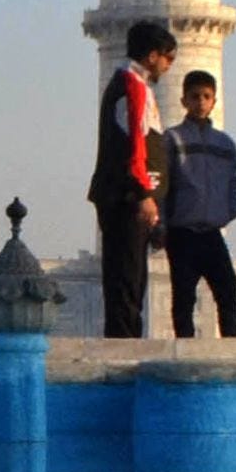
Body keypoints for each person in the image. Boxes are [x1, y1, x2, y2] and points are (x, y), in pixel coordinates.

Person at [87, 18, 178, 340]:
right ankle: (123, 349)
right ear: (153, 55)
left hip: (128, 197)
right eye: (168, 58)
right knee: (126, 280)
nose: (168, 67)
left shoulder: (133, 85)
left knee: (131, 280)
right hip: (125, 199)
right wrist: (143, 194)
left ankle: (126, 342)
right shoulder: (131, 86)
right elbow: (133, 146)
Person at [165, 68, 236, 339]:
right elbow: (164, 184)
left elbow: (233, 180)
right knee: (184, 296)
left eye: (206, 96)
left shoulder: (225, 143)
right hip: (182, 231)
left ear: (214, 101)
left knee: (229, 292)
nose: (201, 102)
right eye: (195, 96)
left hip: (212, 231)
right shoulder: (172, 139)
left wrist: (229, 210)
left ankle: (231, 347)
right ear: (184, 100)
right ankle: (185, 348)